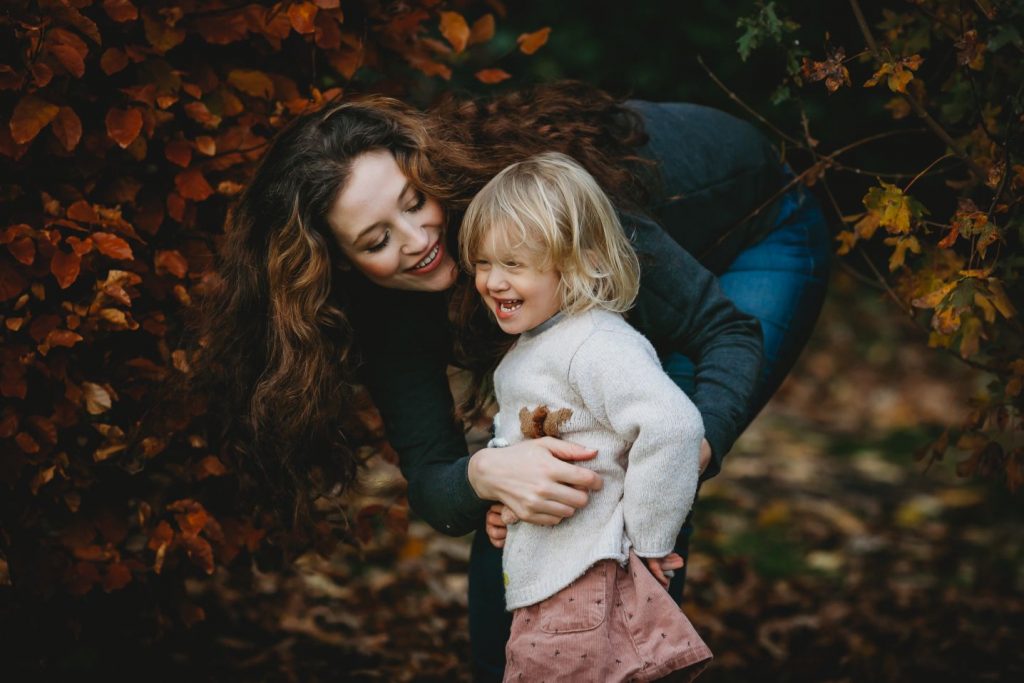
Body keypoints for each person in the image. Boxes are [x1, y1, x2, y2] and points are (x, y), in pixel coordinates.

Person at [193, 81, 830, 681]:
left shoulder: (546, 207)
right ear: (336, 260)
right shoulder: (380, 311)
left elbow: (724, 332)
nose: (416, 240)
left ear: (428, 171)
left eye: (414, 203)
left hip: (761, 226)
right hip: (637, 277)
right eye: (377, 239)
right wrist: (488, 475)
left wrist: (686, 453)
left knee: (642, 475)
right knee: (531, 501)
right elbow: (433, 479)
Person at [459, 151, 713, 682]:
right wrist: (505, 504)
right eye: (483, 262)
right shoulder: (532, 349)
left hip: (586, 579)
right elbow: (522, 452)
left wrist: (649, 541)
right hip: (553, 580)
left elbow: (674, 426)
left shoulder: (596, 343)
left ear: (576, 262)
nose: (493, 281)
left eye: (513, 264)